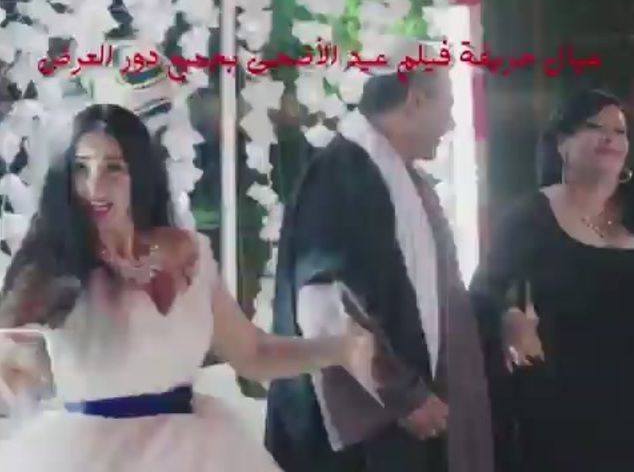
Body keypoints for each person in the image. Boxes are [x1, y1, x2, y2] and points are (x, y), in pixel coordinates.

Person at [0, 103, 376, 471]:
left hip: (198, 453)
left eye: (113, 167)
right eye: (81, 168)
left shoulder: (189, 254)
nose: (95, 185)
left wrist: (340, 348)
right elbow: (8, 354)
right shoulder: (53, 264)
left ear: (141, 174)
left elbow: (253, 353)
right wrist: (23, 375)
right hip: (86, 456)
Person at [265, 38, 493, 472]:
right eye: (446, 107)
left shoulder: (398, 177)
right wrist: (403, 394)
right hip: (368, 439)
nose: (449, 124)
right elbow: (325, 305)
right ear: (415, 100)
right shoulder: (342, 174)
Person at [470, 89, 634, 472]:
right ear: (562, 143)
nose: (610, 138)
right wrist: (508, 318)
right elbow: (483, 294)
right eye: (594, 127)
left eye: (619, 131)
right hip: (565, 412)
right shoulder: (530, 216)